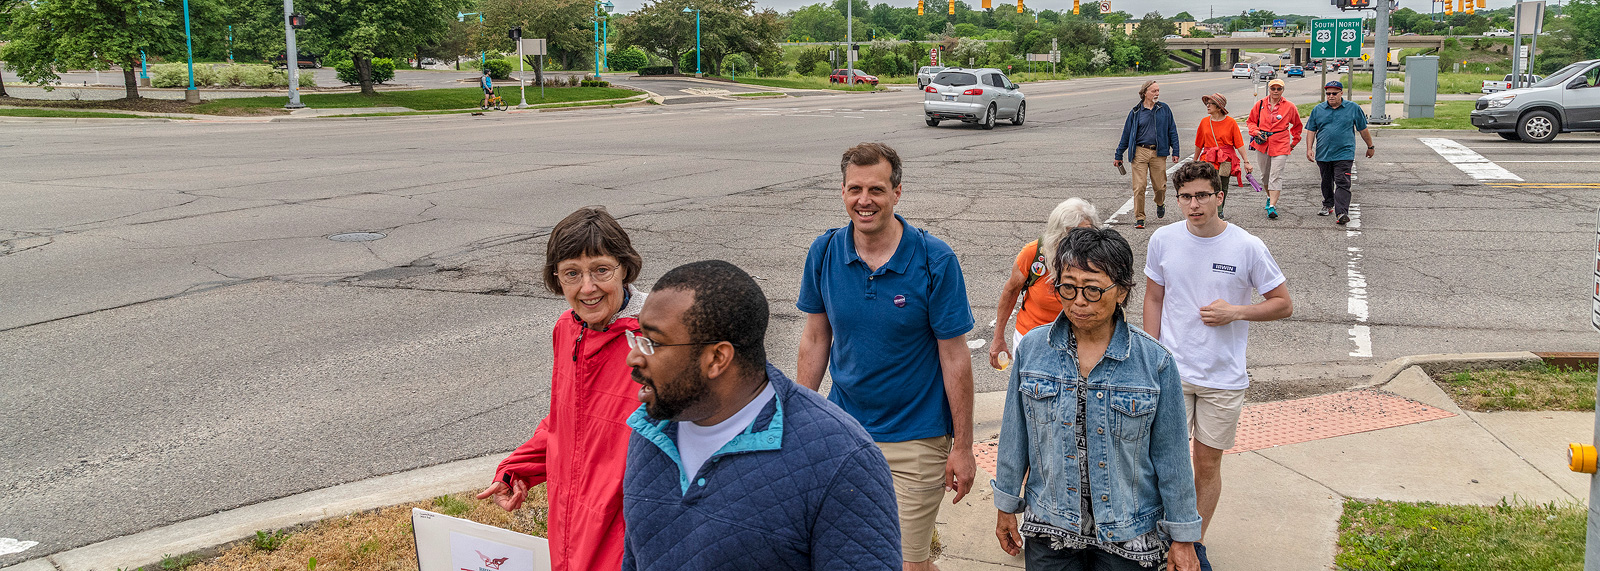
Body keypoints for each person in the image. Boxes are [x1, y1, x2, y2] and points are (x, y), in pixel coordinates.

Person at [621, 260, 901, 570]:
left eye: (654, 343)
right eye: (638, 338)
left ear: (717, 358)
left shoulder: (840, 459)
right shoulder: (649, 430)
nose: (633, 356)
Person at [798, 142, 977, 571]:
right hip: (845, 434)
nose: (865, 200)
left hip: (916, 438)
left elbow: (955, 358)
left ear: (897, 192)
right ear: (842, 191)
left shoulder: (935, 260)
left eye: (876, 189)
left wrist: (964, 447)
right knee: (853, 555)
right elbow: (816, 339)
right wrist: (797, 422)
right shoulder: (824, 254)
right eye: (854, 189)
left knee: (905, 562)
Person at [993, 227, 1202, 571]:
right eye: (1068, 287)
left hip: (1130, 533)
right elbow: (1015, 439)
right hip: (1050, 526)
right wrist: (1005, 505)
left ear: (1121, 291)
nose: (1078, 301)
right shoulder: (1032, 350)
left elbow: (1173, 458)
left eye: (1092, 289)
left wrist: (1183, 537)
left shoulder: (1155, 362)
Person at [477, 206, 645, 571]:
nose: (588, 287)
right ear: (557, 278)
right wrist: (517, 469)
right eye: (572, 273)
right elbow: (566, 423)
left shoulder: (653, 341)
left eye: (601, 269)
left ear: (625, 268)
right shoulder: (568, 329)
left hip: (623, 534)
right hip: (569, 523)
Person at [1141, 162, 1293, 568]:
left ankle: (1194, 542)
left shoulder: (1247, 246)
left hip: (1223, 378)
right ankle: (1161, 537)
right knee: (1160, 461)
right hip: (1171, 373)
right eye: (1186, 197)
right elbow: (1154, 298)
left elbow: (1283, 304)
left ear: (1219, 196)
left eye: (1203, 195)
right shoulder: (1163, 239)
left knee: (1206, 464)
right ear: (1178, 200)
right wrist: (1151, 354)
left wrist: (1237, 312)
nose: (1194, 205)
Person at [989, 198, 1102, 371]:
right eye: (1071, 236)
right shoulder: (1034, 254)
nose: (1080, 243)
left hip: (1080, 340)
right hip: (1033, 339)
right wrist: (998, 338)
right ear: (1057, 236)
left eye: (1085, 235)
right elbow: (1010, 292)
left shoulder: (1099, 258)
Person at [1303, 80, 1374, 226]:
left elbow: (1363, 129)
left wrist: (1370, 146)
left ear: (1341, 93)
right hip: (1323, 153)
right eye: (1328, 93)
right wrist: (1309, 148)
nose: (1331, 96)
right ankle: (1328, 204)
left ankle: (1342, 212)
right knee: (1326, 181)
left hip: (1344, 153)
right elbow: (1311, 130)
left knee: (1342, 182)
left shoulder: (1353, 108)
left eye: (1334, 93)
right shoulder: (1318, 109)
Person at [1113, 80, 1181, 230]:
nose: (1157, 93)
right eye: (1153, 91)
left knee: (1160, 186)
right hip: (1139, 152)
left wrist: (1175, 151)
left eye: (1158, 91)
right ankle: (1140, 218)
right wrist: (1119, 154)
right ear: (1145, 93)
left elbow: (1172, 130)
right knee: (1139, 186)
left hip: (1159, 152)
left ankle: (1160, 202)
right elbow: (1126, 134)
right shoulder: (1136, 112)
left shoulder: (1164, 109)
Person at [1246, 79, 1304, 220]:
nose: (1276, 91)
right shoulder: (1260, 104)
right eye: (1273, 88)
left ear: (1283, 90)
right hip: (1262, 142)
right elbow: (1250, 122)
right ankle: (1268, 196)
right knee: (1265, 175)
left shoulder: (1290, 106)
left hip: (1281, 143)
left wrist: (1294, 142)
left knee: (1275, 175)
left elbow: (1297, 125)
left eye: (1279, 89)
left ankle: (1272, 206)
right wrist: (1255, 132)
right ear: (1269, 90)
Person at [1189, 93, 1251, 222]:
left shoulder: (1231, 122)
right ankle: (1216, 211)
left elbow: (1239, 144)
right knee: (1209, 185)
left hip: (1225, 159)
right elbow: (1199, 143)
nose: (1207, 106)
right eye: (1207, 103)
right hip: (1208, 159)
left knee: (1223, 186)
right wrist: (1194, 161)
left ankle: (1219, 208)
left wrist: (1246, 161)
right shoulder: (1204, 122)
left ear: (1218, 107)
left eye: (1210, 104)